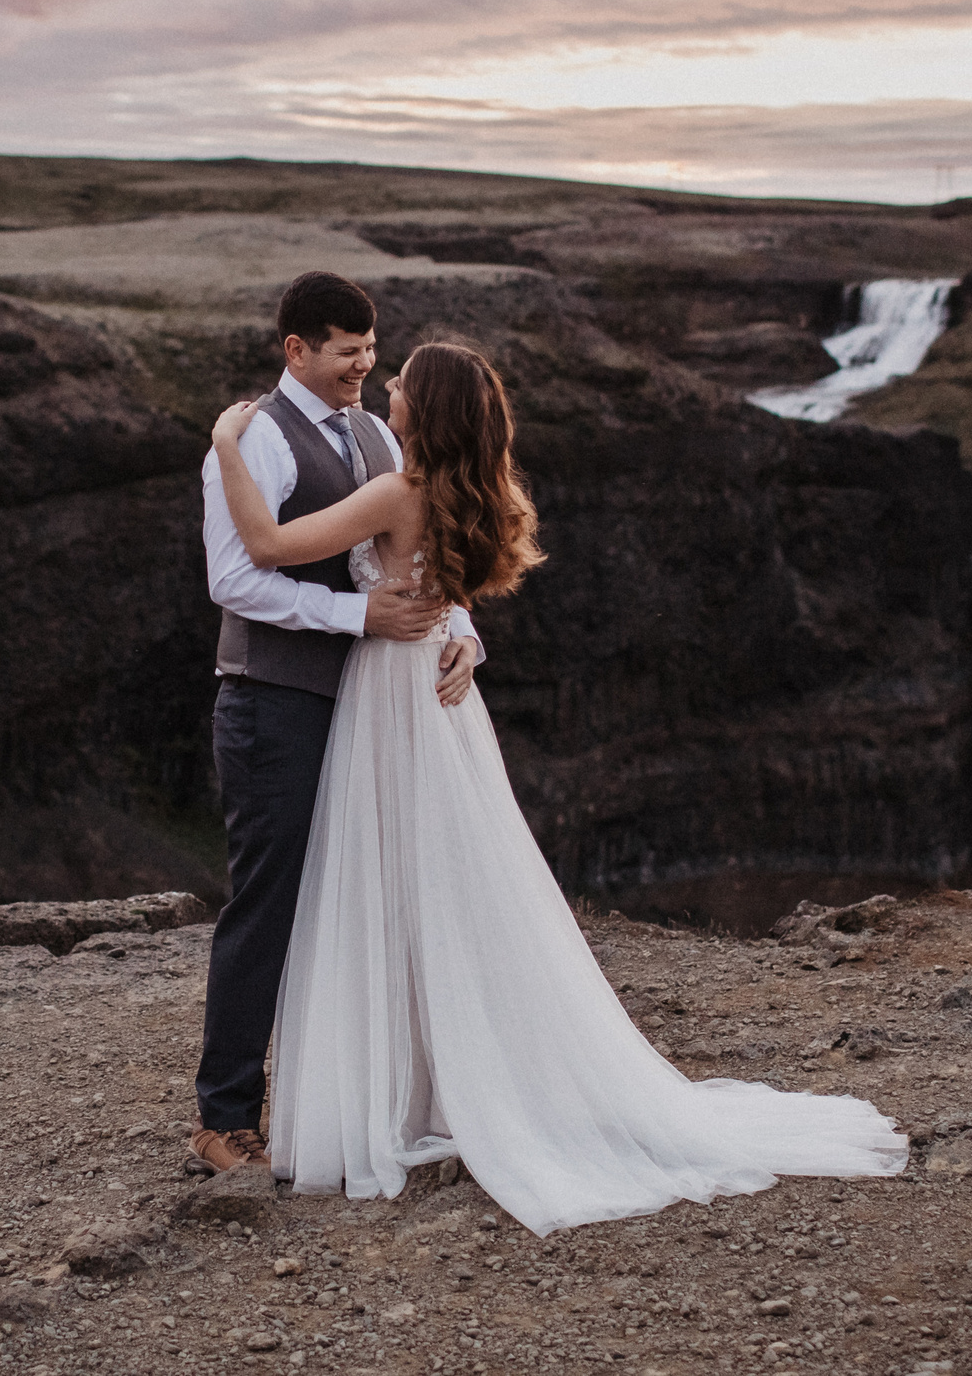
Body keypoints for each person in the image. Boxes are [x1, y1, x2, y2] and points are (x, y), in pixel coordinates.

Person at [207, 336, 908, 1236]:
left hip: (389, 696)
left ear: (427, 409)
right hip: (439, 700)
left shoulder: (397, 486)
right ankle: (446, 1076)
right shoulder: (464, 489)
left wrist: (229, 441)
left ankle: (396, 1089)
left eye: (403, 381)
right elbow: (446, 589)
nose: (389, 386)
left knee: (388, 883)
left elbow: (263, 543)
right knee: (450, 882)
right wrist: (460, 630)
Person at [190, 272, 485, 1176]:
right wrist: (358, 621)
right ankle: (227, 1115)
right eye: (348, 348)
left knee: (372, 897)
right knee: (270, 902)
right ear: (297, 351)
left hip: (372, 713)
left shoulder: (377, 438)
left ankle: (370, 1095)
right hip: (272, 703)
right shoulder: (249, 442)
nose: (366, 364)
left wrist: (461, 630)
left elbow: (422, 552)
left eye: (372, 348)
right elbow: (237, 578)